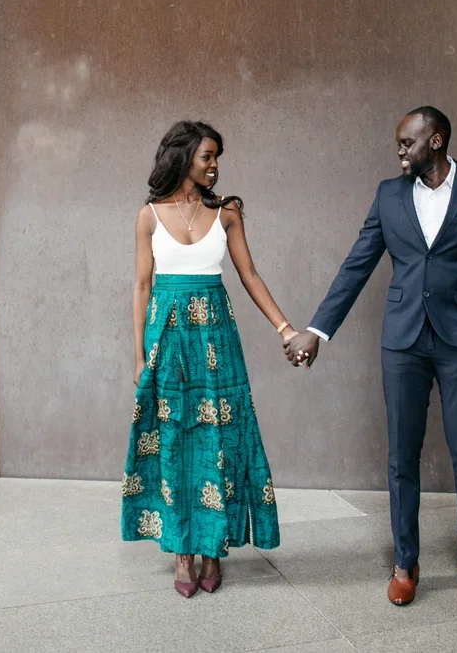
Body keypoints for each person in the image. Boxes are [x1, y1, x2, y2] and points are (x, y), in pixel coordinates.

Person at [286, 107, 457, 612]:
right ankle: (405, 564)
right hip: (403, 343)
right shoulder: (389, 195)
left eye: (407, 143)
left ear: (435, 142)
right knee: (401, 459)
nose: (399, 152)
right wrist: (318, 330)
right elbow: (358, 264)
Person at [122, 120, 297, 597]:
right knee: (173, 438)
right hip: (168, 340)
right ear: (183, 158)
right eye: (207, 157)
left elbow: (250, 275)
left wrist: (286, 329)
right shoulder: (149, 216)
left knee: (221, 436)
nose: (215, 166)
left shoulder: (228, 214)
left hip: (216, 342)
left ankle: (212, 546)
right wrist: (139, 356)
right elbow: (141, 286)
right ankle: (182, 550)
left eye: (217, 157)